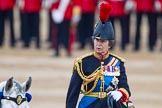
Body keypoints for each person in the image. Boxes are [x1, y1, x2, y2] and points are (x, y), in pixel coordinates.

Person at [65, 2, 132, 108]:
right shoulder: (83, 62)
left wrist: (120, 93)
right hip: (89, 105)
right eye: (96, 40)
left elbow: (125, 88)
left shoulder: (117, 63)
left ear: (109, 44)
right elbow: (72, 94)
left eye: (102, 41)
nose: (98, 44)